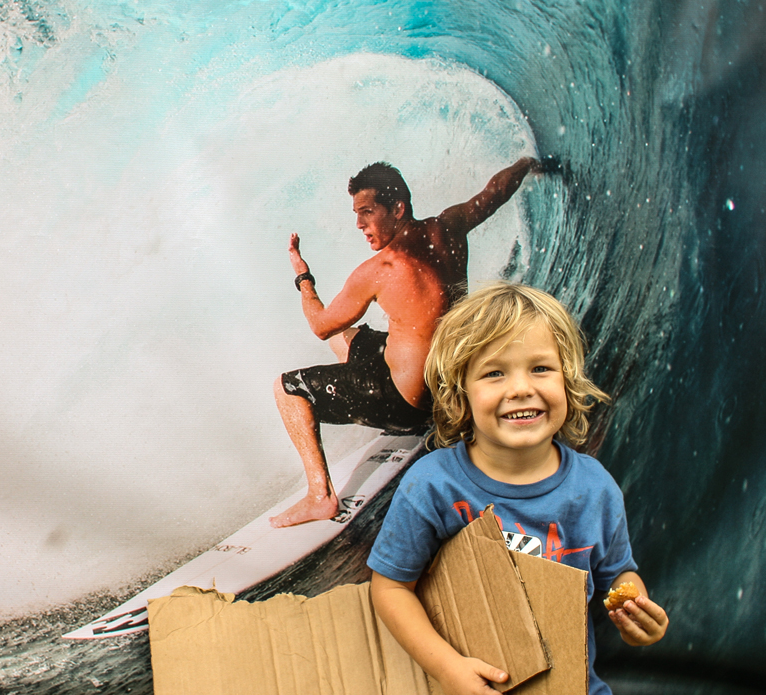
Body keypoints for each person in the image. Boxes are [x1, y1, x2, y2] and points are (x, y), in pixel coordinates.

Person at [367, 283, 669, 695]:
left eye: (541, 368)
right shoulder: (433, 485)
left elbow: (617, 574)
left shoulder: (595, 488)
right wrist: (449, 669)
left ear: (568, 379)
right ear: (461, 394)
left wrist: (633, 612)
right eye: (494, 373)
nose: (521, 388)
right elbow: (389, 588)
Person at [271, 158, 542, 528]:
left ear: (397, 208)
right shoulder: (450, 226)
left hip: (409, 406)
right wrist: (526, 164)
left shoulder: (381, 270)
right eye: (356, 214)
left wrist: (302, 275)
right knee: (346, 336)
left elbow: (319, 325)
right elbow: (495, 192)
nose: (359, 225)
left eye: (367, 213)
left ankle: (320, 496)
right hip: (449, 389)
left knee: (287, 389)